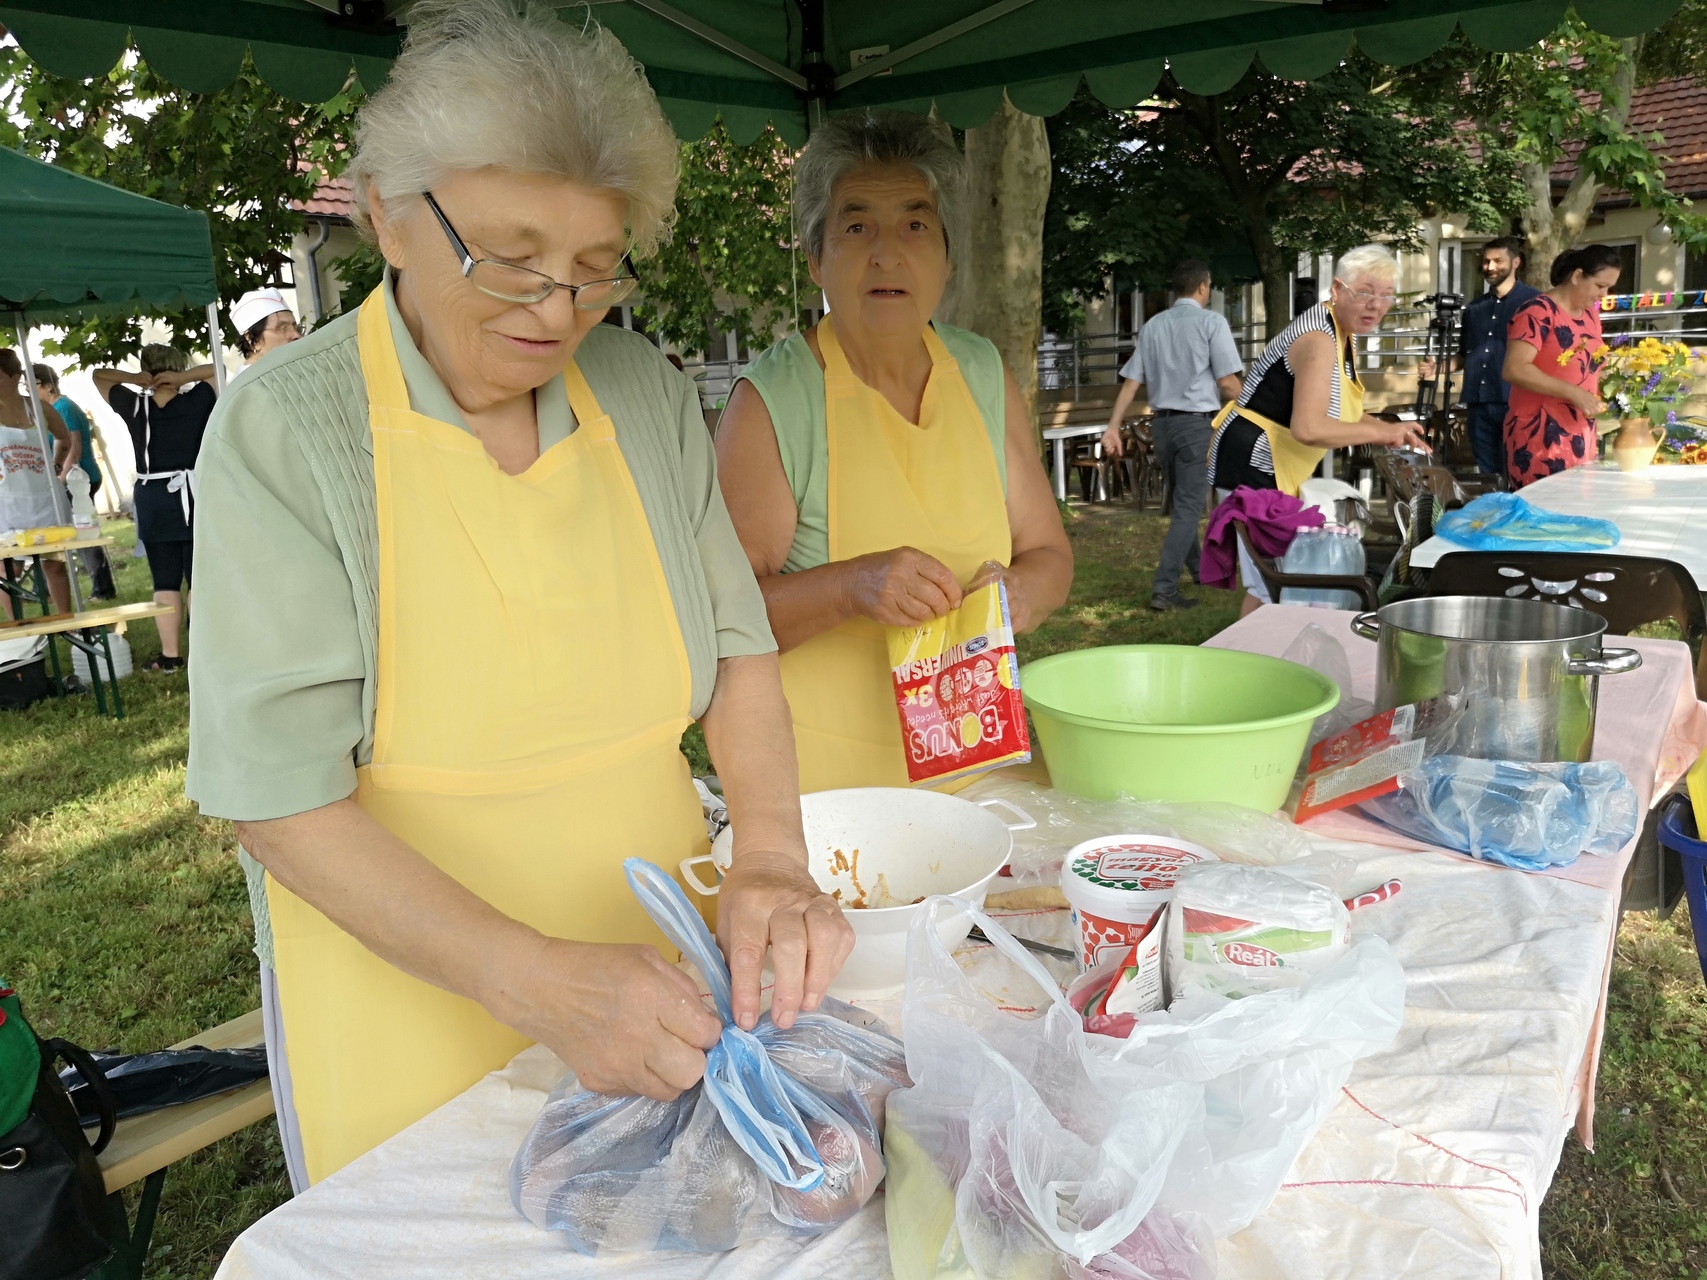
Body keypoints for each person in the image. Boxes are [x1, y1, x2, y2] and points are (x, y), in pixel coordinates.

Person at [184, 0, 851, 1194]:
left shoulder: (641, 391)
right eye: (510, 256)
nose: (555, 310)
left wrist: (770, 855)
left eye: (595, 269)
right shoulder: (287, 429)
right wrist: (537, 980)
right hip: (402, 1000)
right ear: (387, 212)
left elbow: (739, 651)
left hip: (658, 973)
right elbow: (277, 801)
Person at [716, 109, 1073, 794]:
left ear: (946, 256)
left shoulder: (980, 372)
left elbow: (1048, 554)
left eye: (915, 226)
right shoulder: (773, 400)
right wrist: (850, 586)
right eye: (856, 228)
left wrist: (1022, 594)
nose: (887, 254)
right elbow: (723, 618)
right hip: (827, 796)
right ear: (816, 258)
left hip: (978, 774)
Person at [1206, 244, 1430, 613]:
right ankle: (1256, 647)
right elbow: (1309, 429)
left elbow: (1343, 413)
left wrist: (1391, 427)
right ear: (1337, 289)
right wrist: (1382, 433)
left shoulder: (1341, 334)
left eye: (1386, 295)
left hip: (1272, 462)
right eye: (1365, 293)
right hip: (1253, 461)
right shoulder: (1319, 340)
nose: (1376, 305)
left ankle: (1266, 643)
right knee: (1274, 583)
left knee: (1277, 579)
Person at [1099, 260, 1243, 612]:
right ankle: (1164, 588)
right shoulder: (1212, 323)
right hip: (1195, 426)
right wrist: (1258, 408)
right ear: (1203, 286)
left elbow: (1131, 383)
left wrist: (1113, 426)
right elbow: (1227, 383)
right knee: (1189, 508)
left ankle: (1198, 571)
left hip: (1161, 427)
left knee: (1182, 504)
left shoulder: (1153, 326)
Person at [93, 345, 218, 671]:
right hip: (194, 497)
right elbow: (217, 369)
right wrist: (184, 378)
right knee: (199, 580)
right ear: (177, 367)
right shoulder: (197, 400)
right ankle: (205, 654)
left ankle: (170, 655)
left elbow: (99, 376)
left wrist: (135, 379)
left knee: (164, 580)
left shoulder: (135, 405)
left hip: (154, 498)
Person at [1500, 243, 1621, 489]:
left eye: (1609, 288)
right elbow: (1515, 368)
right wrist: (1573, 392)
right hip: (1540, 434)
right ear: (1577, 276)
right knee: (1545, 506)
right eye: (1600, 286)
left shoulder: (1590, 315)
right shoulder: (1537, 312)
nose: (1604, 295)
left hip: (1580, 430)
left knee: (1580, 503)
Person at [1416, 236, 1540, 477]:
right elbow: (1465, 355)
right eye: (1486, 261)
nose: (1490, 267)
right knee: (1487, 474)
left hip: (1516, 401)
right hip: (1478, 402)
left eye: (1498, 261)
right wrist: (1437, 368)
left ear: (1516, 262)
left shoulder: (1534, 303)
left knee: (1518, 471)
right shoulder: (1474, 308)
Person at [0, 347, 79, 615]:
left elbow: (64, 437)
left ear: (15, 376)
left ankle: (66, 621)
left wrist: (56, 464)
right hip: (6, 500)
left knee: (53, 562)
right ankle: (21, 628)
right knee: (8, 569)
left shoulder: (38, 407)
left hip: (45, 496)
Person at [33, 364, 117, 599]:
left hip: (78, 479)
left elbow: (74, 447)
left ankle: (103, 589)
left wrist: (60, 480)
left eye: (34, 384)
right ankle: (42, 587)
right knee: (65, 531)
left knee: (84, 533)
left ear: (48, 385)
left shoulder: (64, 408)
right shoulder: (51, 409)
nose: (29, 390)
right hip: (69, 479)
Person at [229, 288, 303, 381]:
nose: (297, 335)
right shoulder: (250, 383)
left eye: (296, 328)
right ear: (253, 340)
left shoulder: (279, 373)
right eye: (283, 328)